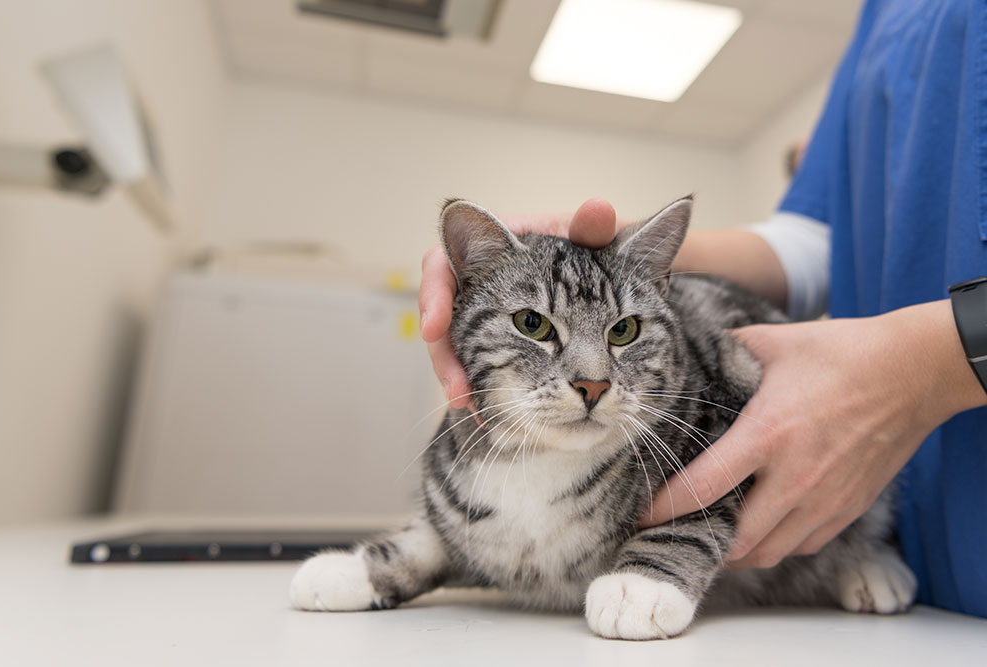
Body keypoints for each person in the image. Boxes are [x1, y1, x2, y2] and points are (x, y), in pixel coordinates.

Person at [418, 0, 987, 618]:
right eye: (534, 325)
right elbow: (817, 241)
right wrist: (617, 260)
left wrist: (932, 362)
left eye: (622, 332)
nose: (590, 378)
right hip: (925, 569)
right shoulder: (880, 11)